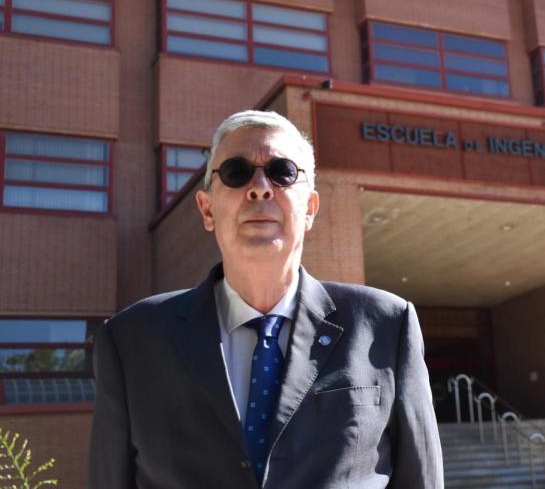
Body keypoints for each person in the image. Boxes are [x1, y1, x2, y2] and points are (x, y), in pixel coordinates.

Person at [88, 110, 443, 488]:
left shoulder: (387, 325)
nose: (260, 187)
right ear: (207, 209)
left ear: (309, 209)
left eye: (282, 171)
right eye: (236, 173)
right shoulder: (131, 341)